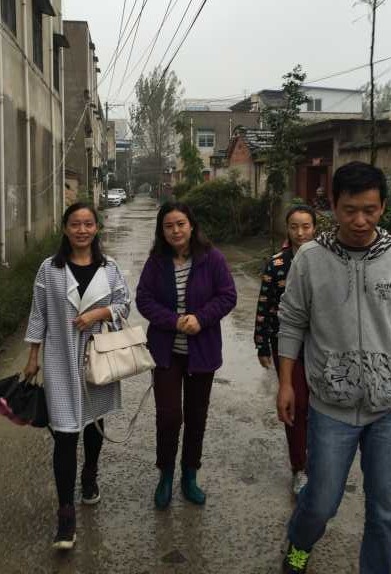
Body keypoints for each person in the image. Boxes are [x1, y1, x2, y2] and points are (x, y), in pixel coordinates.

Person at [277, 162, 391, 574]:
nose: (360, 220)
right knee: (320, 503)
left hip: (390, 409)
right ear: (333, 205)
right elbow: (292, 322)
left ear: (383, 206)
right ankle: (299, 544)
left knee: (386, 512)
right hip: (330, 408)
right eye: (350, 210)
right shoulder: (309, 260)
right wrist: (286, 383)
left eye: (370, 210)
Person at [23, 202, 130, 550]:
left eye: (88, 224)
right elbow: (38, 313)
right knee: (65, 434)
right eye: (75, 224)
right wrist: (33, 356)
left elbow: (124, 305)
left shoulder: (109, 268)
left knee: (94, 424)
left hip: (98, 357)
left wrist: (99, 313)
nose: (82, 230)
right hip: (60, 360)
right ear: (65, 229)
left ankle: (90, 474)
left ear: (96, 228)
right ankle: (66, 514)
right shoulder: (50, 269)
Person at [136, 202, 237, 510]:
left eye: (180, 224)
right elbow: (144, 299)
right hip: (166, 353)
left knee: (196, 416)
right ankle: (165, 474)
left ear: (192, 226)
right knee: (168, 416)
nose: (176, 230)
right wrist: (173, 321)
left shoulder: (212, 258)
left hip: (201, 352)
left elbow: (228, 296)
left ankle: (189, 475)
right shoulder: (156, 261)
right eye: (168, 226)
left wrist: (201, 318)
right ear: (161, 231)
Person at [253, 205, 316, 496]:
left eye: (306, 226)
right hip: (286, 346)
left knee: (321, 407)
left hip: (323, 345)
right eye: (294, 227)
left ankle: (320, 461)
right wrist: (262, 343)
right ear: (287, 229)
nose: (300, 232)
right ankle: (299, 467)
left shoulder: (327, 260)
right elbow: (265, 305)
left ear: (314, 228)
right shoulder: (277, 264)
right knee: (296, 404)